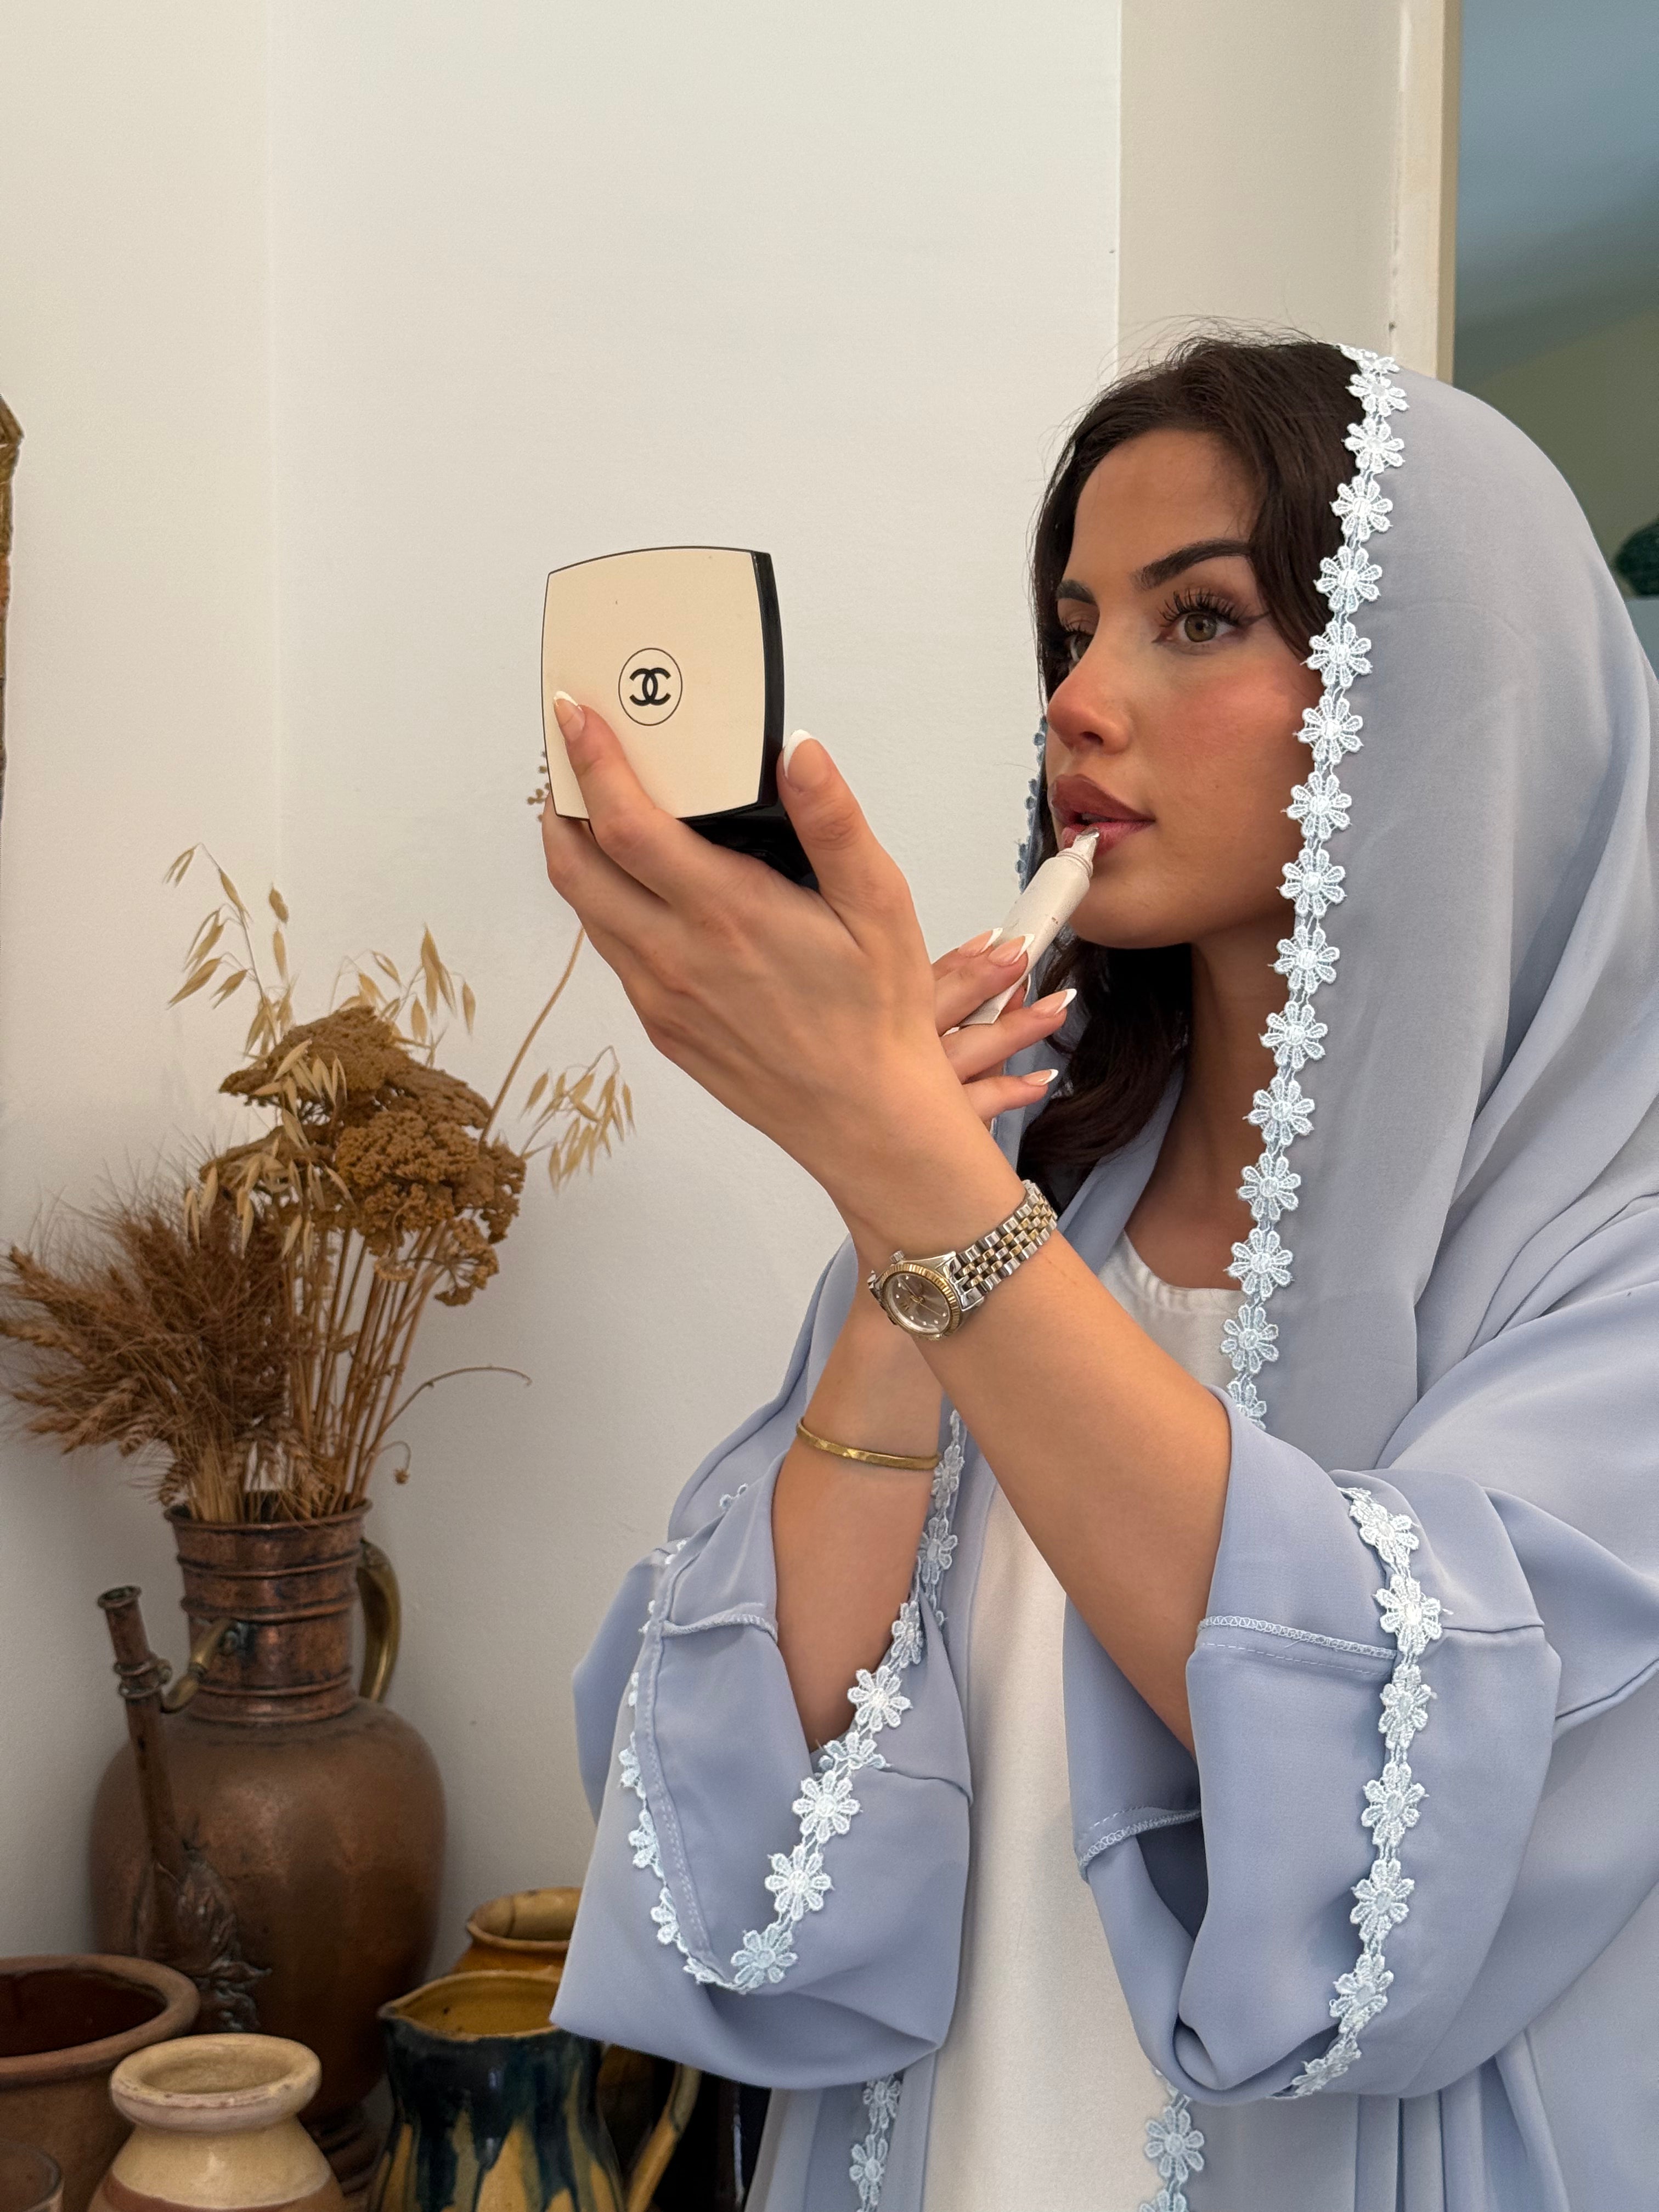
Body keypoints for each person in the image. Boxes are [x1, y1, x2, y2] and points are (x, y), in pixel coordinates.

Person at [539, 334, 1659, 2211]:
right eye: (1071, 631)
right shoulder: (1006, 1198)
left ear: (1449, 688)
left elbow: (1399, 1786)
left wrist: (924, 1197)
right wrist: (908, 1228)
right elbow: (749, 1839)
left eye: (1199, 620)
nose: (1078, 702)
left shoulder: (1609, 1267)